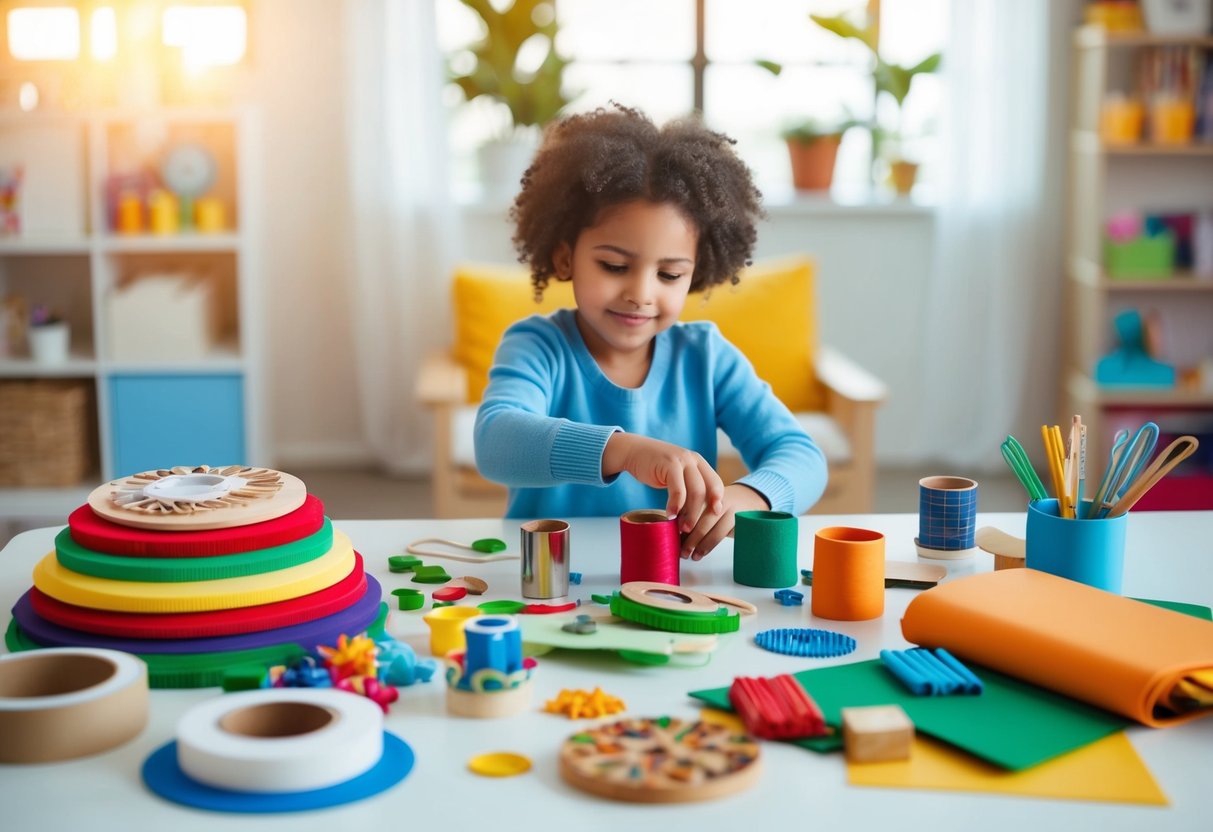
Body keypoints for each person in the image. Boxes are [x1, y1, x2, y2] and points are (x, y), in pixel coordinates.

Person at [474, 104, 827, 560]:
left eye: (669, 274)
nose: (641, 293)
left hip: (673, 582)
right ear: (565, 257)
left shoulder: (706, 357)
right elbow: (496, 441)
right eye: (615, 266)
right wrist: (624, 451)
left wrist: (749, 500)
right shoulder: (537, 347)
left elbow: (799, 454)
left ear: (696, 272)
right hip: (549, 579)